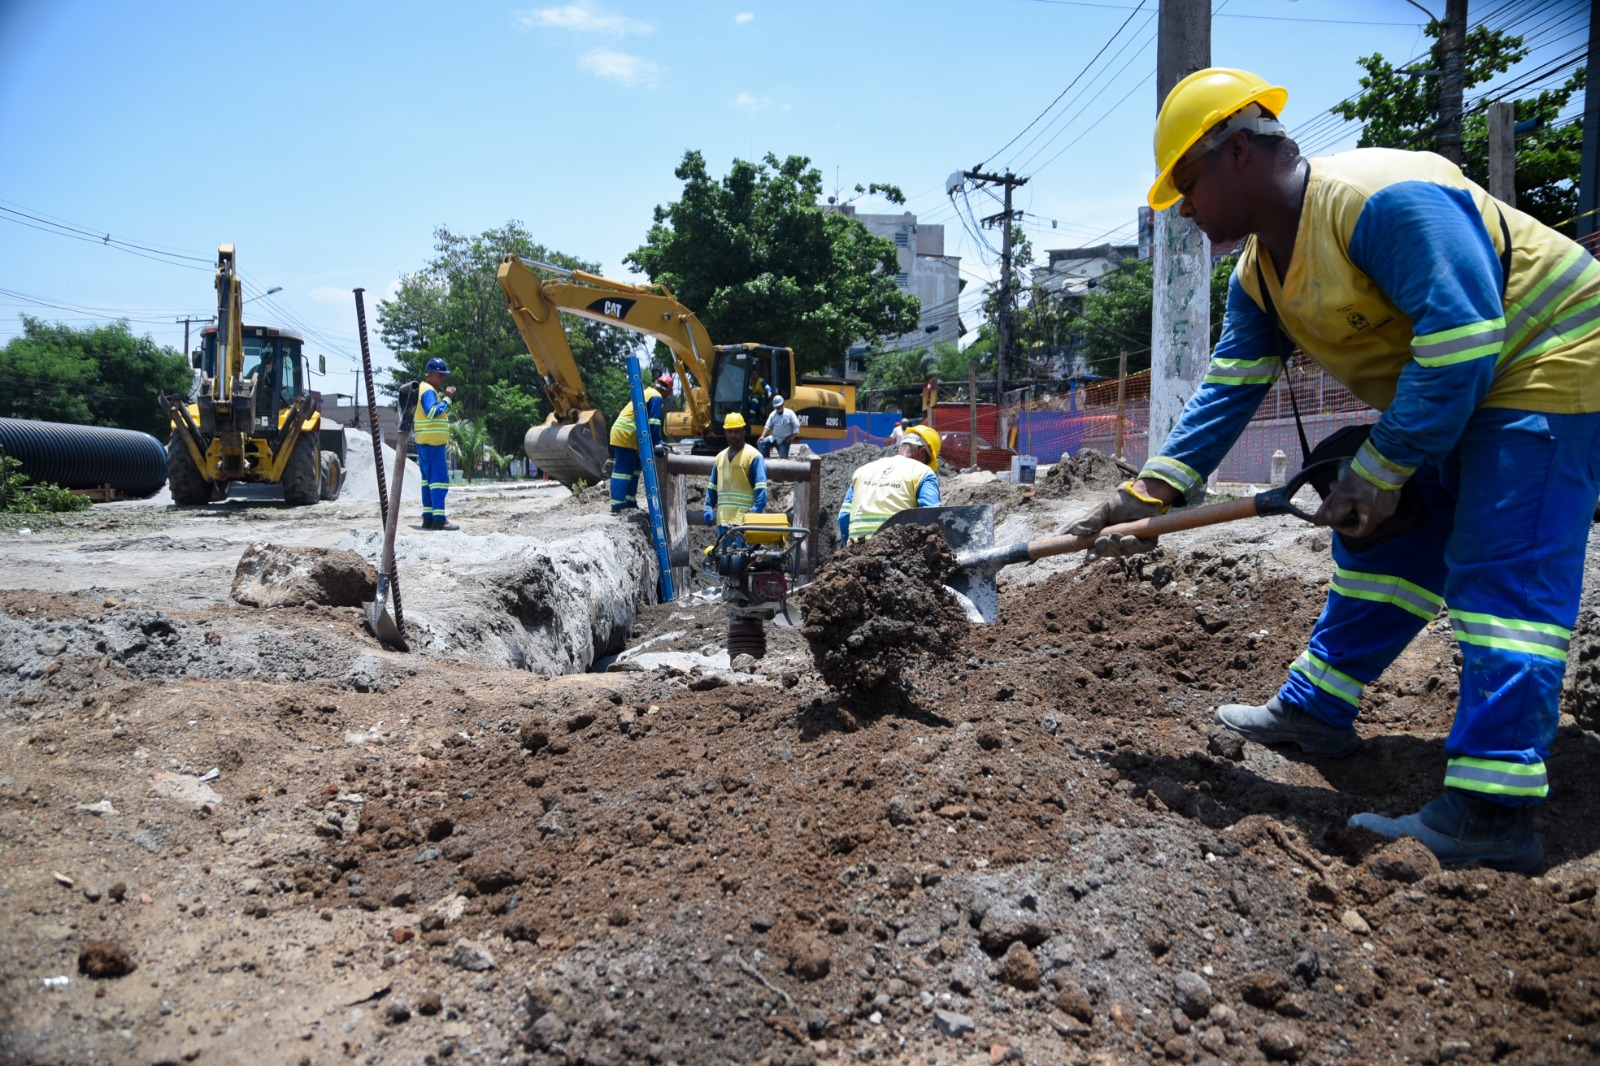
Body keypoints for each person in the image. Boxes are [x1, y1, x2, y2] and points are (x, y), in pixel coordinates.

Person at [1069, 67, 1600, 872]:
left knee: (1504, 583)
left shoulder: (1384, 199)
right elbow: (1231, 386)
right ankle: (1317, 711)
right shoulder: (1260, 275)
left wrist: (1385, 464)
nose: (1182, 207)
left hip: (1552, 365)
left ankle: (1492, 815)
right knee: (1387, 541)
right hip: (1464, 393)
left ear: (1237, 152)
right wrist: (1151, 491)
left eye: (1185, 182)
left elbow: (1461, 344)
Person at [839, 424, 942, 541]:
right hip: (898, 553)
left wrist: (848, 550)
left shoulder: (861, 471)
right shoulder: (923, 472)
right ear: (922, 452)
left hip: (856, 553)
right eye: (927, 461)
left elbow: (844, 516)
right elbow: (932, 515)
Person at [608, 373, 674, 513]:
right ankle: (618, 505)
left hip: (627, 435)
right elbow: (654, 421)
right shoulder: (656, 396)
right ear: (668, 391)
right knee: (623, 471)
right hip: (625, 434)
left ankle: (630, 501)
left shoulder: (648, 392)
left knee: (635, 468)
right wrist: (657, 443)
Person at [704, 412, 768, 538]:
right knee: (723, 557)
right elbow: (712, 487)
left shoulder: (754, 457)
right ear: (725, 433)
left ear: (744, 432)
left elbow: (761, 489)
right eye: (730, 431)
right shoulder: (719, 458)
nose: (733, 435)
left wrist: (755, 512)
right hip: (723, 522)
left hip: (744, 524)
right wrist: (707, 507)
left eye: (737, 431)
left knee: (742, 557)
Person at [415, 357, 457, 531]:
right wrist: (447, 399)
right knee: (439, 481)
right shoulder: (428, 391)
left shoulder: (425, 389)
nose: (443, 379)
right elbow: (432, 411)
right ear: (431, 374)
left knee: (428, 482)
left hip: (425, 443)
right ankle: (439, 519)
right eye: (441, 375)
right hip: (432, 444)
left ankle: (428, 518)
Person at [757, 395, 801, 460]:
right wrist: (762, 436)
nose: (778, 407)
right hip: (774, 438)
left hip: (784, 441)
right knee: (761, 442)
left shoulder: (790, 413)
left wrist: (790, 438)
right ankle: (764, 461)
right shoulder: (772, 414)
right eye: (777, 406)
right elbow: (767, 426)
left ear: (783, 403)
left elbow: (796, 426)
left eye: (779, 406)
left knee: (783, 460)